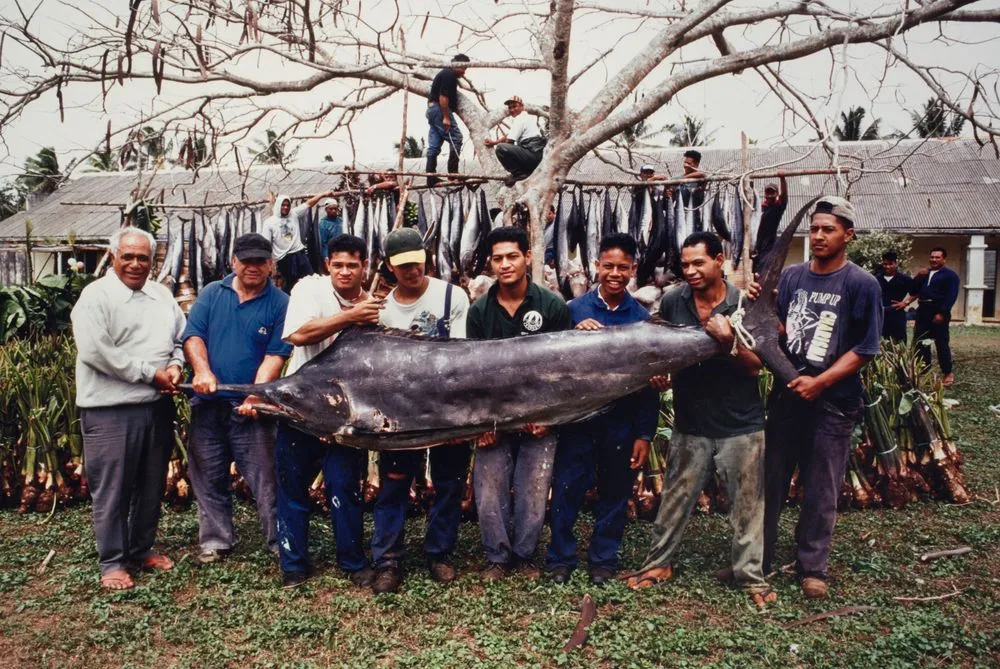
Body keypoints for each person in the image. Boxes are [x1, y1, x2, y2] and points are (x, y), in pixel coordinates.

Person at [624, 231, 774, 606]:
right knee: (675, 497)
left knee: (747, 505)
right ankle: (659, 563)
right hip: (690, 421)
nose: (689, 271)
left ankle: (750, 578)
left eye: (698, 263)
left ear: (720, 260)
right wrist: (660, 373)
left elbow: (757, 367)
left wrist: (727, 341)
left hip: (741, 423)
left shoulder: (745, 302)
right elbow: (662, 348)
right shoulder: (674, 300)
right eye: (685, 264)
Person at [763, 196, 882, 599]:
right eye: (813, 229)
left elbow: (865, 348)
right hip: (787, 397)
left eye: (827, 229)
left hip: (833, 402)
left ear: (847, 235)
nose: (818, 236)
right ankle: (756, 560)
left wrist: (821, 382)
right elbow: (780, 329)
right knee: (771, 480)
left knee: (821, 486)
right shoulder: (795, 277)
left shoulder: (861, 284)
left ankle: (812, 567)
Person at [71, 227, 185, 590]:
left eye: (144, 258)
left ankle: (140, 549)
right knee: (113, 490)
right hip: (110, 411)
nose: (136, 264)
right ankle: (113, 562)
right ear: (113, 256)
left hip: (156, 407)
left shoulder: (161, 295)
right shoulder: (95, 296)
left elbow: (179, 340)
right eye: (128, 257)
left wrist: (175, 367)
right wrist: (149, 374)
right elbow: (96, 352)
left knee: (151, 486)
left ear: (153, 260)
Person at [545, 233, 658, 585]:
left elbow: (647, 384)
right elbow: (552, 367)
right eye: (607, 266)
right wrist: (574, 337)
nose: (614, 273)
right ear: (596, 266)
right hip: (578, 421)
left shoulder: (642, 318)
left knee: (616, 489)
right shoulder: (572, 310)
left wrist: (644, 433)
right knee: (566, 489)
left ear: (633, 270)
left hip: (620, 422)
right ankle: (560, 558)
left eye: (622, 268)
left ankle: (603, 560)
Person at [275, 234, 382, 588]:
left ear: (364, 266)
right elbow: (297, 334)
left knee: (344, 486)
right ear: (327, 266)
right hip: (301, 408)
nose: (345, 272)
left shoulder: (374, 305)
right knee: (292, 486)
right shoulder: (309, 289)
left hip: (346, 415)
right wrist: (350, 316)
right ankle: (293, 564)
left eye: (353, 265)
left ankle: (352, 562)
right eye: (338, 265)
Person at [369, 228, 472, 594]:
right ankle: (388, 560)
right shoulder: (381, 308)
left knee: (448, 482)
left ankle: (439, 553)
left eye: (417, 263)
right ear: (389, 268)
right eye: (402, 266)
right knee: (393, 486)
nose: (411, 271)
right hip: (400, 411)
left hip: (446, 406)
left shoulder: (452, 296)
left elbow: (460, 353)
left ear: (426, 257)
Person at [467, 227, 572, 580]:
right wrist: (484, 424)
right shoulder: (480, 311)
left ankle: (526, 556)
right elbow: (475, 372)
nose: (505, 264)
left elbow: (562, 368)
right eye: (498, 259)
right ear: (491, 263)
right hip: (495, 415)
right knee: (489, 487)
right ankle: (496, 557)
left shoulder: (552, 305)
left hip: (540, 415)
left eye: (512, 256)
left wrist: (548, 416)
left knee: (534, 486)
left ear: (527, 256)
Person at [182, 233, 292, 566]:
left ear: (271, 264)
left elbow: (276, 355)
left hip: (251, 409)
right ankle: (216, 540)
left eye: (261, 261)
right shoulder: (212, 294)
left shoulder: (281, 303)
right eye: (247, 261)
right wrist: (202, 371)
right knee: (208, 474)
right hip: (208, 404)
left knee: (266, 477)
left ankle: (278, 540)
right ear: (234, 263)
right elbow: (193, 336)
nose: (254, 267)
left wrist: (255, 395)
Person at [900, 247, 959, 386]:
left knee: (941, 343)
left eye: (937, 257)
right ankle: (924, 371)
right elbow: (913, 290)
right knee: (921, 342)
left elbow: (951, 296)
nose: (934, 260)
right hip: (923, 311)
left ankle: (948, 373)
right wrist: (918, 276)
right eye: (932, 257)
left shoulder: (950, 276)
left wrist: (942, 313)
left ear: (944, 259)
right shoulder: (925, 274)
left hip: (938, 311)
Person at [262, 190, 336, 293]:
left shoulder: (294, 214)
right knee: (289, 286)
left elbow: (309, 203)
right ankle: (288, 306)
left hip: (300, 254)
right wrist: (268, 264)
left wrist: (323, 194)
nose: (286, 207)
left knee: (311, 280)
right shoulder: (269, 222)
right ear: (278, 205)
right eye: (283, 205)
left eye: (288, 205)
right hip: (284, 258)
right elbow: (266, 244)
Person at [426, 54, 470, 186]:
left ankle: (430, 176)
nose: (464, 71)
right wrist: (446, 116)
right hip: (440, 110)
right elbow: (443, 97)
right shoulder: (448, 75)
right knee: (456, 138)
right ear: (455, 64)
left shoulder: (446, 74)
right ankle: (453, 173)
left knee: (434, 145)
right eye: (463, 68)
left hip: (432, 110)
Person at [485, 95, 546, 186]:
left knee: (501, 148)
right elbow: (509, 135)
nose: (512, 110)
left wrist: (498, 145)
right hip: (537, 157)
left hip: (532, 155)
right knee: (504, 146)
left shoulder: (520, 118)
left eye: (515, 106)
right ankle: (524, 172)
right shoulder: (526, 117)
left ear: (522, 106)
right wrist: (494, 142)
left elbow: (509, 141)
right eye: (510, 108)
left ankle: (519, 174)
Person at [753, 173, 788, 272]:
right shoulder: (760, 208)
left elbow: (784, 196)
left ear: (776, 194)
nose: (769, 195)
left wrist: (782, 178)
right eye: (767, 193)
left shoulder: (778, 207)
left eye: (772, 193)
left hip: (769, 247)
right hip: (756, 246)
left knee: (763, 271)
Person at [876, 250, 913, 343]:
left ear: (896, 263)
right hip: (880, 314)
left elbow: (916, 292)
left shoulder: (905, 279)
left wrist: (905, 302)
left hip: (897, 314)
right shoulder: (876, 279)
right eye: (885, 264)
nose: (887, 266)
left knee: (899, 342)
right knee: (881, 342)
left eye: (890, 264)